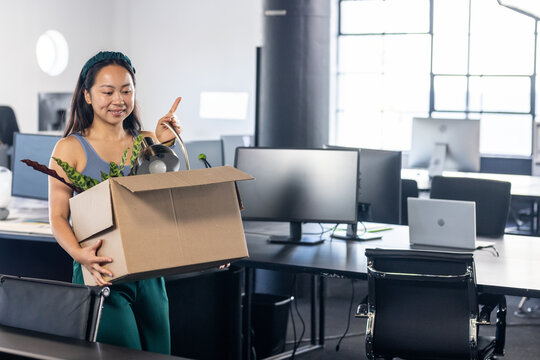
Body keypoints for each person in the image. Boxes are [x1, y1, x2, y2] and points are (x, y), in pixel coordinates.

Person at [48, 51, 181, 354]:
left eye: (126, 90)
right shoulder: (70, 148)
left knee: (159, 353)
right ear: (87, 96)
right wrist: (80, 255)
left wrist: (164, 144)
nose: (118, 99)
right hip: (101, 270)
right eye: (107, 91)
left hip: (149, 271)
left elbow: (166, 203)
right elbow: (57, 215)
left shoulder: (147, 141)